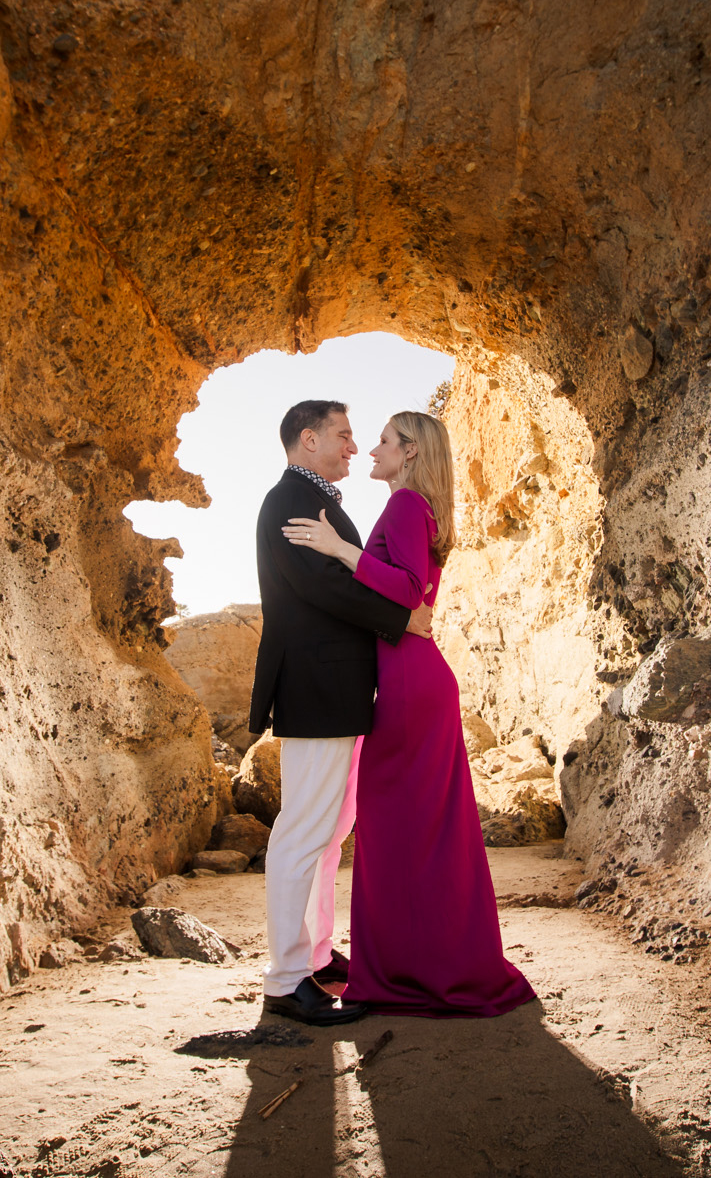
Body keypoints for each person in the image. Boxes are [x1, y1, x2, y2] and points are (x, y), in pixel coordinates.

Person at [283, 411, 535, 1017]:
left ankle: (408, 969)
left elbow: (407, 588)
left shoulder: (403, 507)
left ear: (412, 452)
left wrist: (339, 549)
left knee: (397, 831)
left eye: (386, 441)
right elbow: (410, 594)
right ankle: (431, 960)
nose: (371, 448)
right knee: (423, 831)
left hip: (408, 682)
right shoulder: (419, 508)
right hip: (415, 677)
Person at [251, 399, 434, 1027]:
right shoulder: (289, 501)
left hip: (339, 691)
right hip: (317, 690)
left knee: (327, 835)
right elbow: (323, 588)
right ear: (308, 439)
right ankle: (284, 979)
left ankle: (318, 955)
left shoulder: (314, 498)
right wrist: (402, 618)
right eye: (343, 435)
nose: (354, 447)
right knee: (303, 832)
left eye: (359, 437)